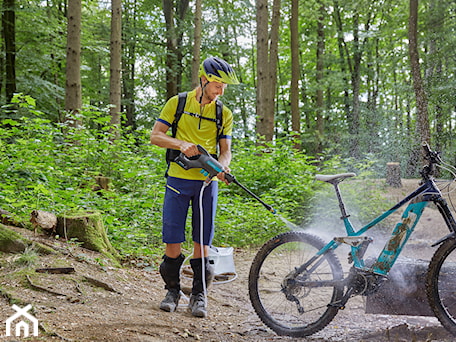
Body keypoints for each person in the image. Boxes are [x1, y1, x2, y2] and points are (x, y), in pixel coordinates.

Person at [150, 57, 239, 318]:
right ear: (203, 79)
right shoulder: (177, 103)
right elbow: (155, 136)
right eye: (217, 85)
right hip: (177, 180)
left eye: (223, 87)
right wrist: (180, 144)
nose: (220, 91)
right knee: (172, 240)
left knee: (202, 243)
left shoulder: (224, 113)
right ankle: (172, 291)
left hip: (206, 184)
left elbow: (226, 152)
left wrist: (221, 168)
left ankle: (199, 296)